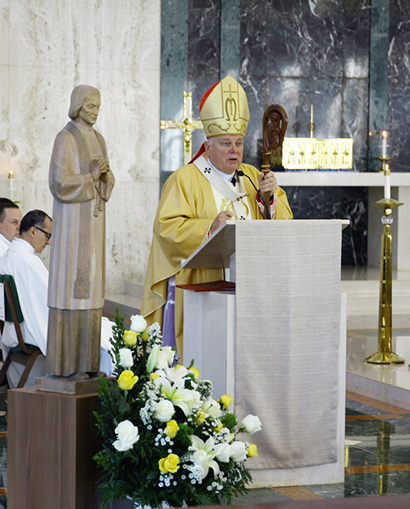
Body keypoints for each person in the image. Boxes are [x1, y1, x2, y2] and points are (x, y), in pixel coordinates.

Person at [141, 75, 293, 361]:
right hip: (202, 287)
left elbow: (280, 224)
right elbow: (167, 229)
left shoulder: (252, 176)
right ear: (207, 145)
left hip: (249, 289)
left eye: (238, 142)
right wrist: (209, 227)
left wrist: (270, 200)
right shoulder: (184, 179)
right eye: (225, 143)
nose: (234, 150)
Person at [0, 210, 114, 388]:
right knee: (99, 340)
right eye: (47, 235)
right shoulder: (26, 261)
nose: (49, 241)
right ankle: (99, 395)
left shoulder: (9, 256)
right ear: (33, 231)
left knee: (103, 328)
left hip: (13, 330)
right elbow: (50, 302)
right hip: (27, 331)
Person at [47, 85, 115, 380]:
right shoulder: (65, 137)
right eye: (90, 107)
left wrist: (107, 177)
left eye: (98, 107)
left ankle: (87, 366)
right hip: (73, 229)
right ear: (77, 106)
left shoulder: (99, 138)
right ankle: (65, 367)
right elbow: (59, 183)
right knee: (71, 292)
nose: (95, 112)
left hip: (95, 226)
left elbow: (107, 179)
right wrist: (91, 177)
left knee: (91, 296)